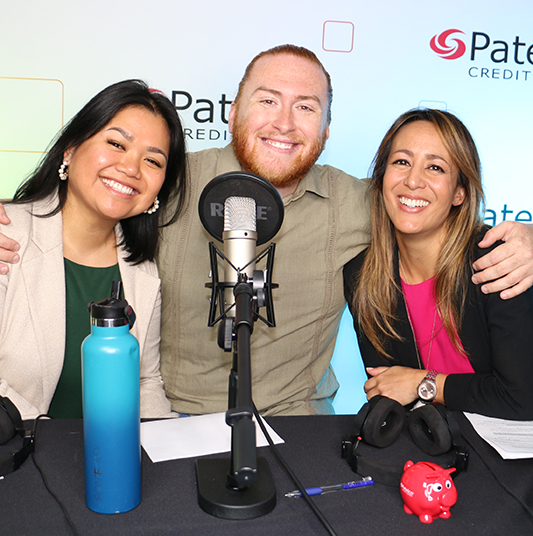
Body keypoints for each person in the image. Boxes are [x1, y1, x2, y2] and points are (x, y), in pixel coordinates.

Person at [1, 46, 533, 416]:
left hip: (298, 424)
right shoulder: (171, 178)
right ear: (234, 111)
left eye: (306, 108)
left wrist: (527, 241)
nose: (284, 123)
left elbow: (430, 204)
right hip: (168, 419)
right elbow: (93, 201)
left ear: (326, 129)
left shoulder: (359, 202)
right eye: (267, 101)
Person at [0, 79, 187, 420]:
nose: (131, 169)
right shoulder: (6, 238)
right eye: (116, 144)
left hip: (110, 460)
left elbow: (145, 381)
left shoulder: (142, 269)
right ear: (69, 150)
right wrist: (51, 445)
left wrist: (159, 450)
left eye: (154, 161)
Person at [344, 109, 533, 420]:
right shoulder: (361, 276)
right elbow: (388, 390)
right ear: (380, 179)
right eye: (401, 162)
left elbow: (522, 398)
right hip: (428, 445)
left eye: (435, 167)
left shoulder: (497, 261)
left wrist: (426, 383)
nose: (413, 180)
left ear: (459, 192)